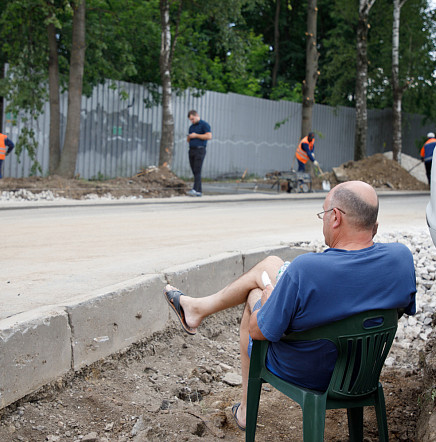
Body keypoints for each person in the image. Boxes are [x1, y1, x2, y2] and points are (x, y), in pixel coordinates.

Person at [163, 180, 416, 431]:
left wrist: (266, 302)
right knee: (272, 265)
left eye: (324, 214)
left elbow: (259, 332)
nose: (324, 221)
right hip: (362, 370)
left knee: (254, 294)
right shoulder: (401, 258)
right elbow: (396, 310)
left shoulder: (307, 269)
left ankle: (245, 410)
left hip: (308, 372)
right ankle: (197, 309)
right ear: (374, 225)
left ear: (336, 218)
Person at [186, 110, 212, 197]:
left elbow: (209, 136)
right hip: (192, 149)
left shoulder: (204, 125)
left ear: (196, 115)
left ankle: (194, 189)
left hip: (200, 150)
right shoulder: (191, 127)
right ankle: (199, 191)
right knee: (194, 170)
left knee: (197, 169)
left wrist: (196, 135)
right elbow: (189, 139)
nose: (192, 121)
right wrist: (189, 137)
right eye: (190, 120)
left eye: (193, 119)